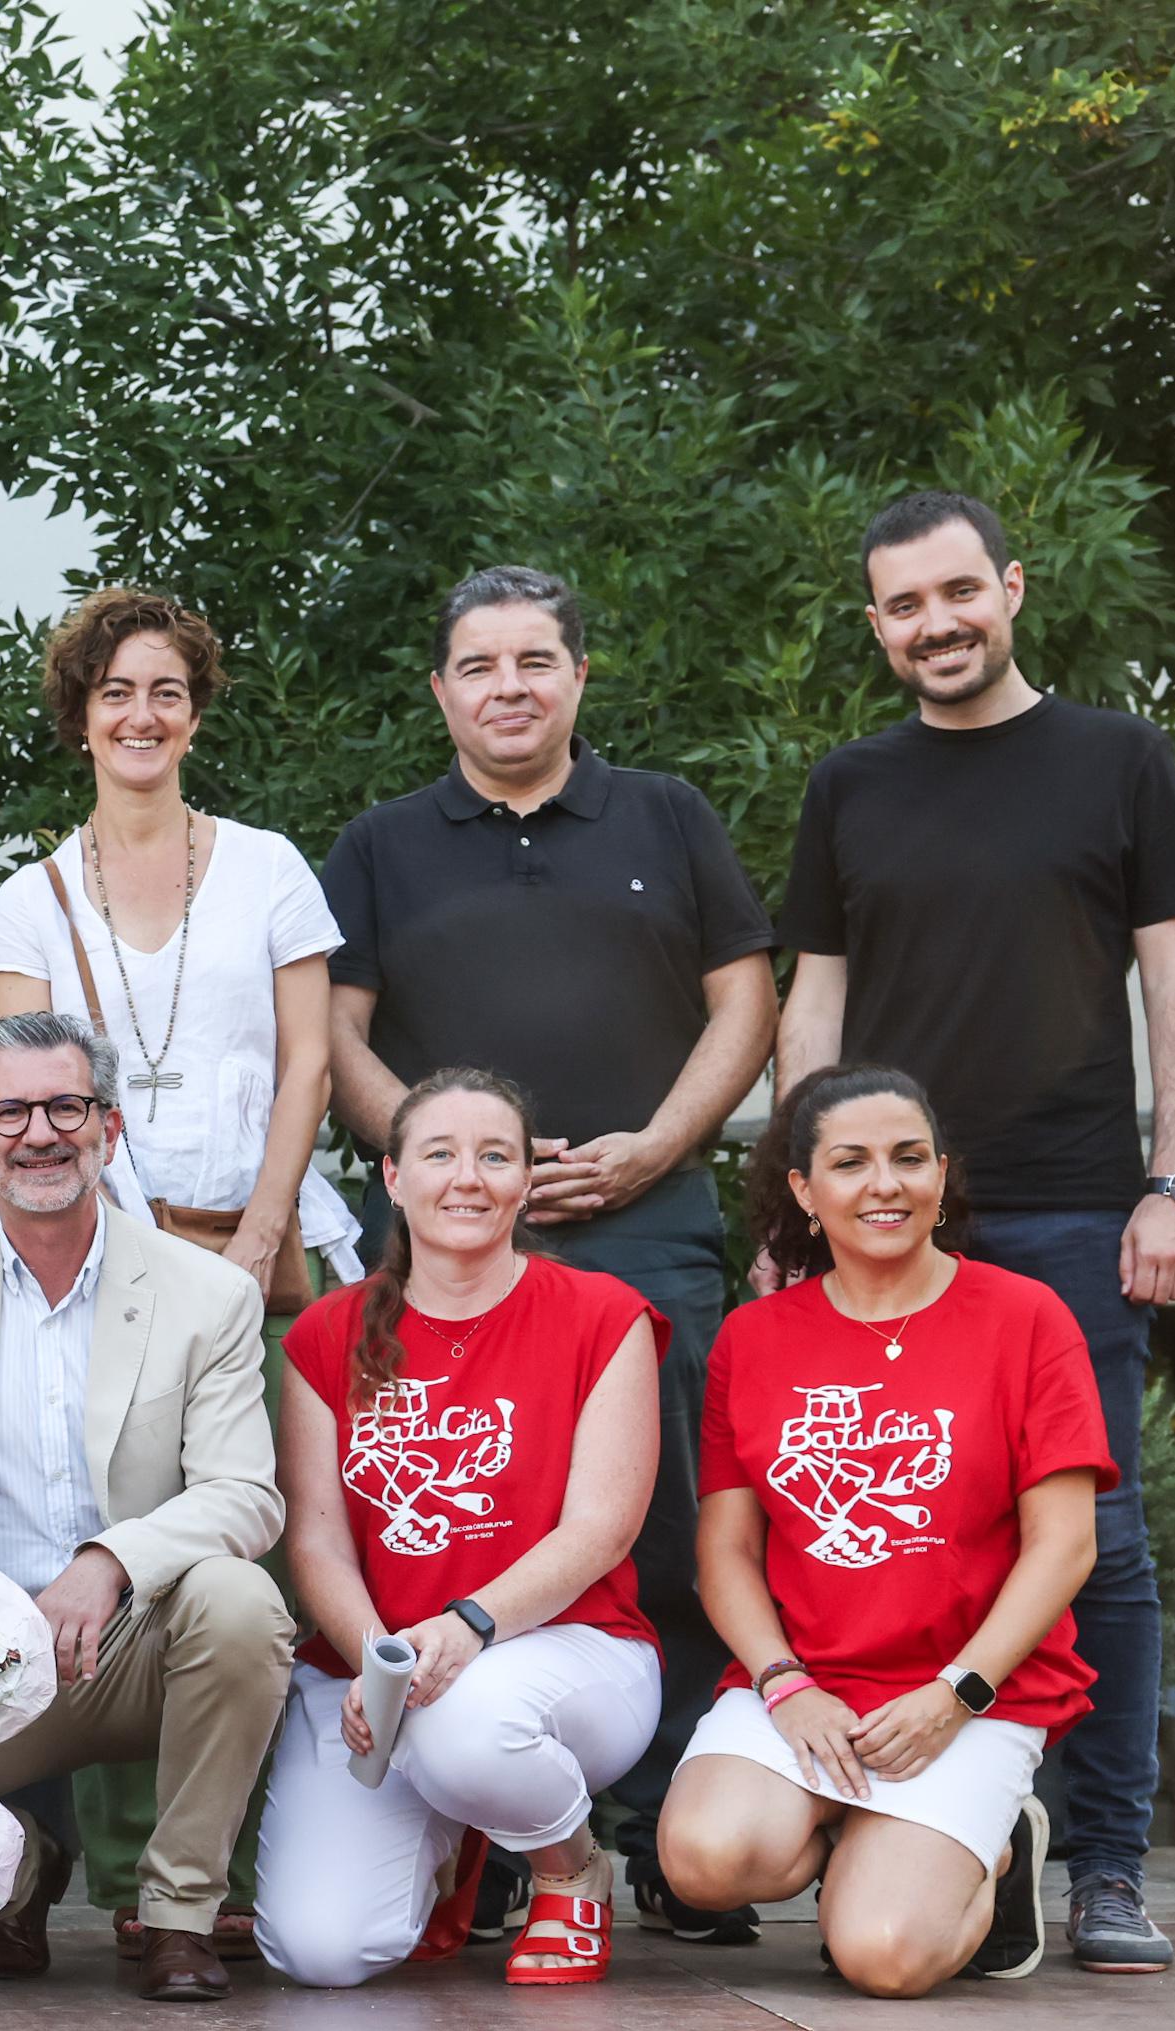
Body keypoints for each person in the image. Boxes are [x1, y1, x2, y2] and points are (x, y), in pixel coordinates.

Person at [775, 490, 1175, 1974]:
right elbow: (814, 1005)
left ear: (1009, 590)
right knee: (878, 1513)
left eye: (956, 592)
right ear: (876, 626)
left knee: (1101, 1547)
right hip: (879, 1218)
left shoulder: (1116, 760)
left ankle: (1104, 1865)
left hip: (1072, 1203)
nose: (934, 623)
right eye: (902, 605)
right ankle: (918, 1820)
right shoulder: (849, 785)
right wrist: (797, 1190)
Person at [321, 563, 774, 1939]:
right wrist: (449, 1167)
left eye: (533, 660)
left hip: (641, 1223)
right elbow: (332, 1035)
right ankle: (512, 1825)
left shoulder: (664, 816)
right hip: (449, 1253)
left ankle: (674, 1840)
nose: (506, 686)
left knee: (674, 1515)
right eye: (477, 664)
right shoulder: (381, 844)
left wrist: (651, 1144)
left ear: (577, 674)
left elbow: (742, 998)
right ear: (440, 688)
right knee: (473, 1503)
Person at [0, 1013, 295, 2003]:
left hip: (138, 1640)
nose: (37, 1133)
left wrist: (106, 1561)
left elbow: (243, 1496)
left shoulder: (206, 1293)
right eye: (6, 1111)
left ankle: (180, 1913)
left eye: (64, 1106)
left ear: (109, 1127)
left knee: (237, 1601)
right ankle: (18, 1863)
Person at [658, 1067, 1107, 1996]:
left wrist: (958, 1692)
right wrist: (785, 1684)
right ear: (803, 1190)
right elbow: (726, 1552)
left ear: (942, 1176)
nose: (884, 1184)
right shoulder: (754, 1337)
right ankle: (871, 1828)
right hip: (810, 1681)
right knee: (703, 1863)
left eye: (909, 1159)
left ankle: (986, 1852)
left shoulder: (1027, 1318)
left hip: (970, 1687)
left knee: (885, 1956)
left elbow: (1064, 1544)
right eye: (850, 1162)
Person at [258, 1070, 664, 1990]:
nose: (467, 1178)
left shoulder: (603, 1316)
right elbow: (318, 1541)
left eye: (495, 1155)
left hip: (567, 1651)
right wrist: (378, 1659)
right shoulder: (328, 1331)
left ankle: (567, 1868)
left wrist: (468, 1625)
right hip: (379, 1667)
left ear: (527, 1180)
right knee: (322, 1951)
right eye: (439, 1154)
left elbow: (600, 1527)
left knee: (464, 1728)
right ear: (393, 1177)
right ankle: (454, 1847)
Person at [0, 588, 355, 1312]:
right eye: (115, 692)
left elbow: (309, 1064)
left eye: (167, 693)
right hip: (93, 1267)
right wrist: (119, 1256)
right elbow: (25, 1099)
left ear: (194, 717)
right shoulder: (30, 901)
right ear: (81, 718)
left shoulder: (270, 868)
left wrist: (259, 1235)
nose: (142, 716)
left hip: (265, 1254)